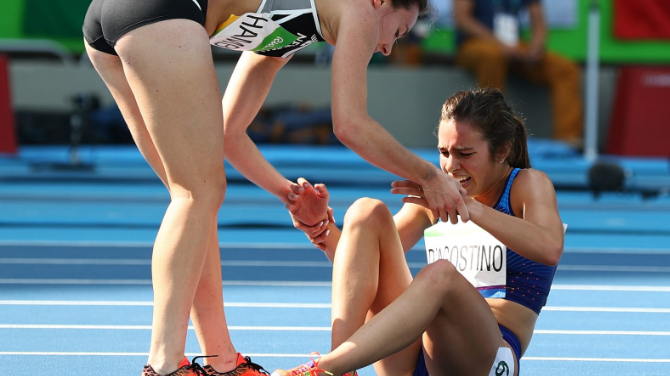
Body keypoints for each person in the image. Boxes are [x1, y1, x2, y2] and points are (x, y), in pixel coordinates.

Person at [82, 0, 469, 375]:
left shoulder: (291, 30)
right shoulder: (358, 10)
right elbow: (349, 124)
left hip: (108, 22)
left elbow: (230, 132)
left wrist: (288, 193)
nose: (386, 47)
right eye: (397, 31)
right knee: (197, 195)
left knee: (194, 203)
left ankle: (222, 362)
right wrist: (431, 176)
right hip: (159, 11)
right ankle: (165, 365)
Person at [278, 88, 565, 376]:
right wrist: (321, 228)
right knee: (366, 211)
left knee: (441, 274)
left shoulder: (527, 184)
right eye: (443, 152)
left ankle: (325, 368)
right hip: (415, 355)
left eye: (465, 153)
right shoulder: (433, 202)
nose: (451, 167)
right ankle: (338, 370)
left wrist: (469, 208)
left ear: (502, 150)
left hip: (488, 359)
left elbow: (550, 247)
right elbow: (361, 266)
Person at [453, 0, 583, 147]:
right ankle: (494, 133)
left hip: (513, 46)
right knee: (492, 57)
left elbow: (539, 22)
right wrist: (500, 44)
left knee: (565, 69)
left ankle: (567, 139)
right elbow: (463, 19)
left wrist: (535, 48)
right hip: (476, 44)